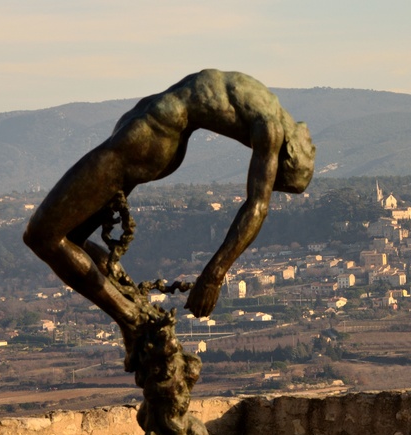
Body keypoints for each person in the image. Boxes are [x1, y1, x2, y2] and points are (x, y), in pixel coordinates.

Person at [24, 69, 316, 346]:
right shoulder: (269, 119)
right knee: (70, 239)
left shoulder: (269, 117)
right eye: (275, 179)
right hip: (147, 137)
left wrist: (213, 277)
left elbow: (258, 208)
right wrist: (212, 277)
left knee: (41, 236)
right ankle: (130, 303)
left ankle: (131, 319)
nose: (270, 177)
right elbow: (258, 205)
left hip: (147, 139)